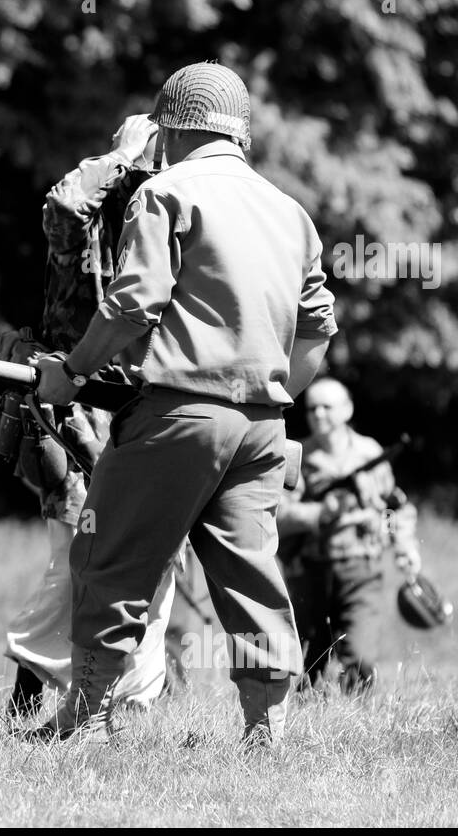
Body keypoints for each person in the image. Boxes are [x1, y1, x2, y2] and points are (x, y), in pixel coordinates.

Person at [33, 62, 339, 744]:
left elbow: (133, 304)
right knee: (252, 579)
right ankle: (267, 733)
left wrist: (73, 373)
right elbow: (318, 325)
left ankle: (81, 722)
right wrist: (276, 394)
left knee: (107, 558)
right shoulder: (290, 211)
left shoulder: (167, 192)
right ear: (241, 135)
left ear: (167, 129)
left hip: (175, 419)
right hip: (262, 427)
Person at [1, 114, 187, 720]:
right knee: (81, 551)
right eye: (143, 167)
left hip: (150, 406)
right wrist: (123, 153)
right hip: (78, 411)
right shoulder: (87, 227)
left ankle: (128, 700)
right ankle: (38, 693)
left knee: (156, 556)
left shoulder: (172, 223)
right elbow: (64, 205)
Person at [276, 378, 420, 692]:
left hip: (362, 570)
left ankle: (357, 723)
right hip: (311, 570)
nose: (319, 414)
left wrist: (404, 546)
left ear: (347, 410)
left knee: (360, 655)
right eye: (313, 408)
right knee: (310, 659)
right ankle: (308, 721)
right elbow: (276, 515)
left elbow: (395, 508)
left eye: (328, 407)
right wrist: (319, 513)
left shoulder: (370, 454)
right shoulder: (297, 457)